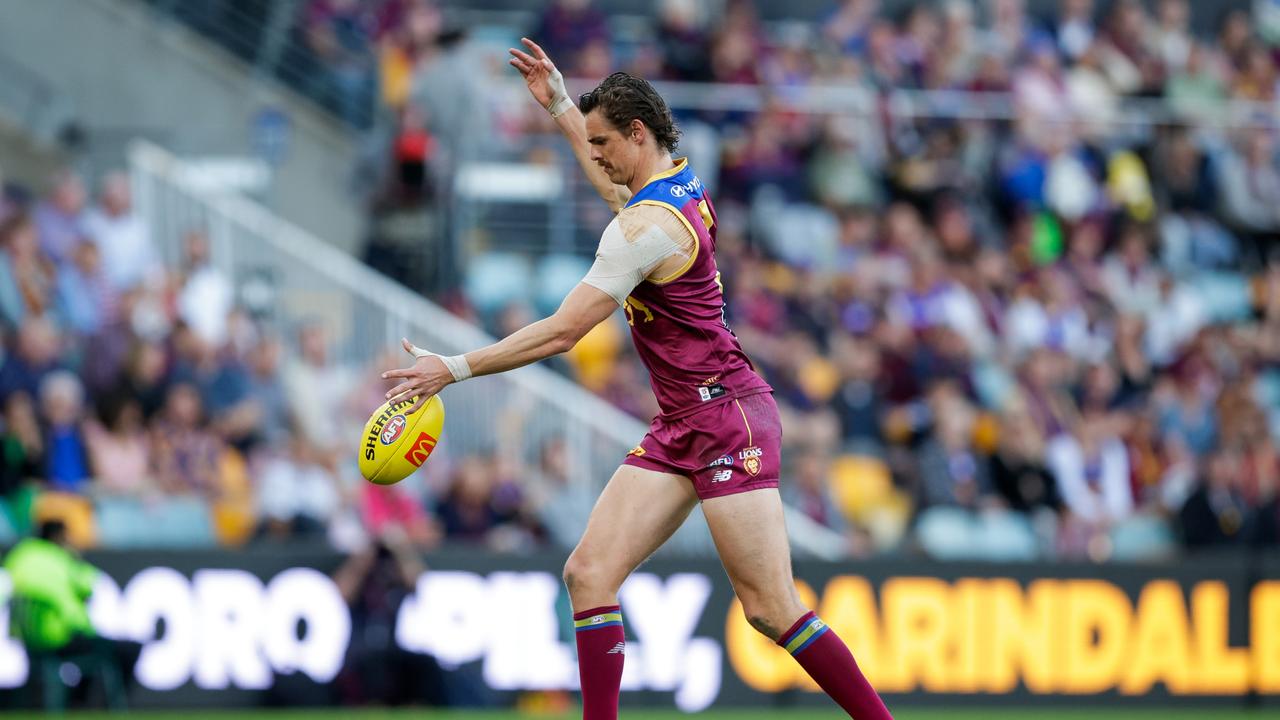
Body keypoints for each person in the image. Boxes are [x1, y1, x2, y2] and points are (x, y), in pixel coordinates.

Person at [381, 39, 892, 720]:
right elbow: (616, 188)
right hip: (687, 419)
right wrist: (562, 106)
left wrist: (454, 367)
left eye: (601, 141)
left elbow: (564, 332)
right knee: (588, 573)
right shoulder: (678, 183)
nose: (592, 154)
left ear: (638, 133)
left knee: (770, 609)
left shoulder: (645, 230)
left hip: (725, 420)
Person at [3, 520, 142, 705]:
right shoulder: (61, 559)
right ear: (59, 537)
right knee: (126, 649)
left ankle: (78, 703)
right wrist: (74, 556)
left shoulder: (20, 555)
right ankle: (102, 706)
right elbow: (90, 584)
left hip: (30, 640)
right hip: (62, 636)